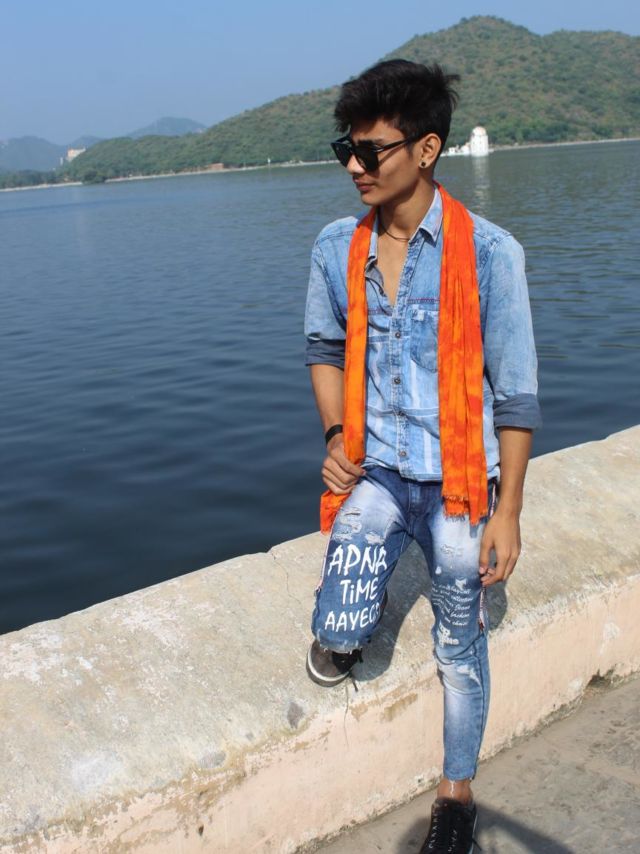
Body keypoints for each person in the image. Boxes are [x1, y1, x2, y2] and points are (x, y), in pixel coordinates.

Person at [303, 59, 542, 853]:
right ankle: (346, 618)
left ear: (427, 148)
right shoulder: (338, 247)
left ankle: (457, 796)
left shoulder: (491, 254)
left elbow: (515, 395)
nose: (354, 166)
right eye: (347, 148)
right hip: (378, 471)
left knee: (458, 645)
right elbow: (325, 348)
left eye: (370, 150)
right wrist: (335, 438)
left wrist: (508, 512)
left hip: (459, 484)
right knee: (336, 636)